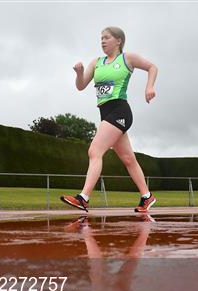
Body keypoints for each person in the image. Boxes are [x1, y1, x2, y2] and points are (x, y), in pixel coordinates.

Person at [60, 26, 158, 213]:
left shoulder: (127, 58)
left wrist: (149, 87)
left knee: (94, 151)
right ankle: (147, 196)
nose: (102, 41)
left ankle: (84, 198)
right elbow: (81, 86)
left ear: (118, 41)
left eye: (107, 38)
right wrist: (79, 73)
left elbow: (152, 67)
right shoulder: (96, 62)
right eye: (101, 38)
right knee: (128, 159)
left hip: (120, 111)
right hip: (105, 113)